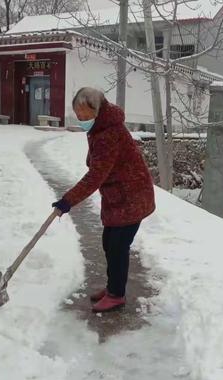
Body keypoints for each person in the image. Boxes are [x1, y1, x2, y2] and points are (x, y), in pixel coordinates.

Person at [52, 87, 155, 313]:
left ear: (97, 110)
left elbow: (96, 175)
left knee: (117, 247)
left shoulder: (108, 133)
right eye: (78, 116)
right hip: (119, 195)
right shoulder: (100, 127)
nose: (82, 120)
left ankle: (116, 295)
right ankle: (112, 288)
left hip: (132, 197)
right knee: (109, 242)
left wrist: (67, 201)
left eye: (85, 116)